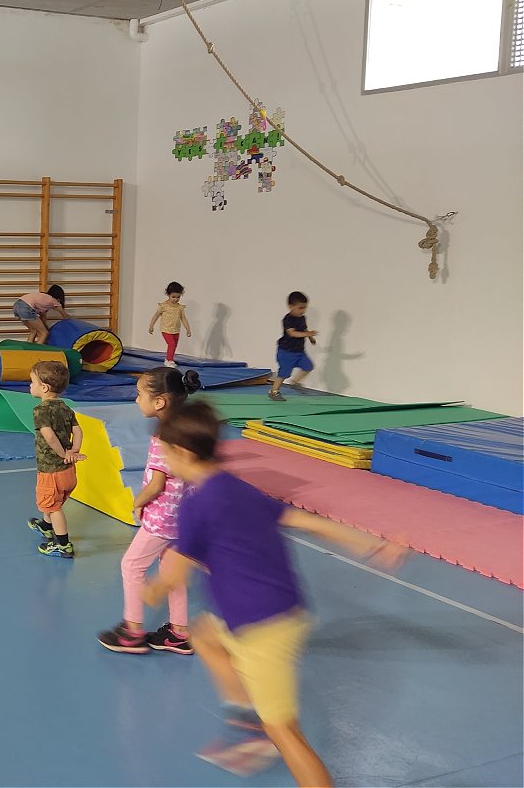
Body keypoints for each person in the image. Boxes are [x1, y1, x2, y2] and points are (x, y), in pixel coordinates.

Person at [143, 401, 406, 787]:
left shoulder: (196, 505)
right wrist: (372, 545)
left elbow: (175, 573)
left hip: (261, 627)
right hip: (276, 610)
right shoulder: (236, 487)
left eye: (166, 453)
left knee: (285, 732)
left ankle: (267, 735)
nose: (166, 461)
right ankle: (247, 722)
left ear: (182, 452)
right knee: (204, 635)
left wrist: (152, 590)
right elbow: (302, 520)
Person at [97, 366, 201, 655]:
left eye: (139, 394)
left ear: (159, 401)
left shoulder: (164, 437)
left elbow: (156, 485)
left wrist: (137, 502)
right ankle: (179, 633)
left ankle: (132, 631)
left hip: (162, 519)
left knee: (131, 566)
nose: (136, 400)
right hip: (183, 518)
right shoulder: (190, 429)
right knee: (171, 572)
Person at [25, 360, 85, 558]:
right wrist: (74, 450)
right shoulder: (65, 407)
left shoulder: (40, 411)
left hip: (51, 470)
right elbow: (78, 431)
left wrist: (62, 454)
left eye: (32, 382)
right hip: (69, 471)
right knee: (51, 502)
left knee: (54, 507)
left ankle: (63, 545)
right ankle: (45, 525)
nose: (30, 385)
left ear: (44, 387)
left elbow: (49, 436)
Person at [270, 292, 317, 401]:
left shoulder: (302, 318)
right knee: (284, 373)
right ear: (290, 306)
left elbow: (304, 329)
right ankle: (274, 391)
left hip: (299, 351)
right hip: (286, 351)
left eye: (305, 308)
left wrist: (310, 338)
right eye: (300, 308)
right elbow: (292, 333)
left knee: (308, 366)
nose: (303, 310)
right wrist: (307, 334)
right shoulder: (288, 319)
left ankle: (295, 382)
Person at [148, 281, 191, 367]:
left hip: (176, 330)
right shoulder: (164, 306)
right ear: (168, 294)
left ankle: (168, 359)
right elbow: (156, 316)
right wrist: (151, 326)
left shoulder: (180, 307)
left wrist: (188, 329)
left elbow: (183, 318)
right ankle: (169, 360)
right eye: (173, 297)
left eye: (178, 297)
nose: (176, 299)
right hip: (166, 329)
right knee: (171, 344)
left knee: (174, 345)